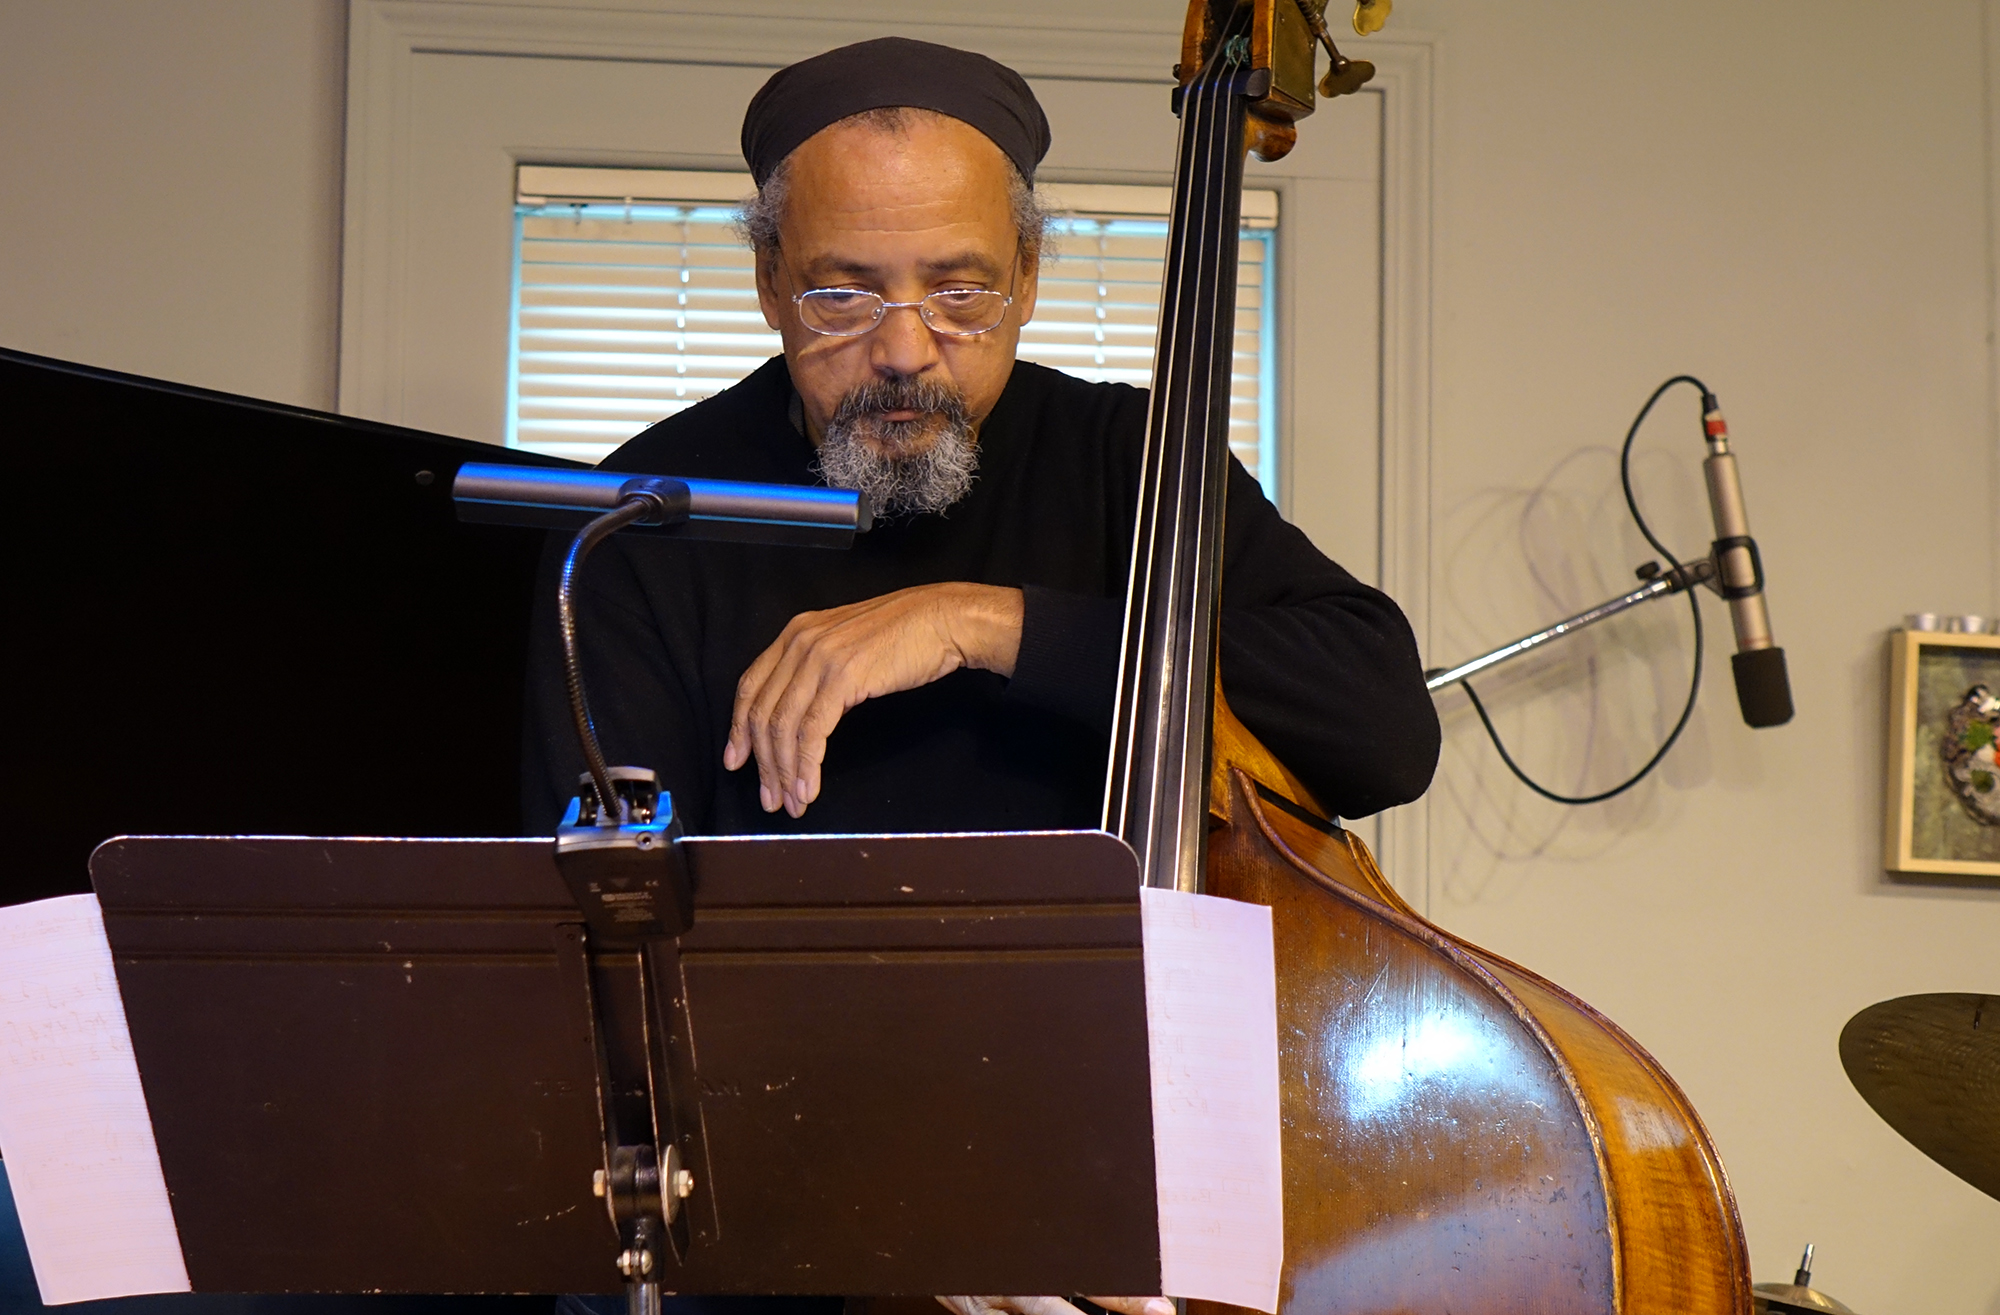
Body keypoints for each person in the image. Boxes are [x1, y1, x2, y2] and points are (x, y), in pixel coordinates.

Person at [525, 36, 1440, 1315]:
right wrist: (932, 1206)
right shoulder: (645, 523)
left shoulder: (1132, 460)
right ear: (765, 282)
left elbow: (1382, 728)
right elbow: (607, 978)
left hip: (1146, 1203)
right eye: (843, 295)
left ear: (1027, 274)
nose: (906, 351)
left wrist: (984, 621)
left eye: (959, 292)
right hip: (783, 1210)